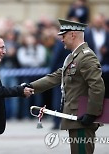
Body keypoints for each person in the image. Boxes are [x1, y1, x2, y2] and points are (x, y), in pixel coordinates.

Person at [27, 19, 105, 154]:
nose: (61, 40)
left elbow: (97, 86)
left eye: (63, 36)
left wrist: (92, 113)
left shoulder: (86, 57)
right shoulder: (72, 57)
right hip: (75, 116)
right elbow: (56, 76)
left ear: (73, 35)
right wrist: (30, 86)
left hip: (82, 117)